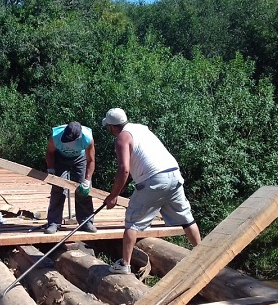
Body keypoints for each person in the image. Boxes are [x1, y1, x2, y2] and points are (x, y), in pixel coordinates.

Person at [101, 108, 201, 274]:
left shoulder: (121, 139)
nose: (108, 131)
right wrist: (123, 185)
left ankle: (124, 265)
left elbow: (124, 169)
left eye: (108, 128)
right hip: (173, 174)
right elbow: (142, 160)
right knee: (186, 218)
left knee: (132, 221)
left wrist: (113, 196)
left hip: (154, 180)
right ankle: (202, 253)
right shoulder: (141, 128)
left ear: (112, 127)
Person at [43, 121, 97, 234]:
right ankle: (53, 223)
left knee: (83, 190)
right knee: (58, 187)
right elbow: (49, 153)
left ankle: (86, 221)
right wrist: (51, 169)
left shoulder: (87, 138)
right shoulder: (56, 136)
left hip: (80, 158)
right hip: (60, 158)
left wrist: (87, 180)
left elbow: (91, 160)